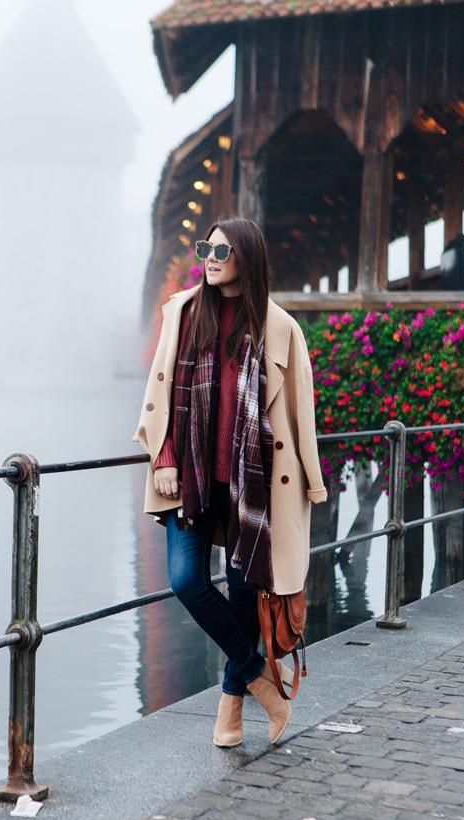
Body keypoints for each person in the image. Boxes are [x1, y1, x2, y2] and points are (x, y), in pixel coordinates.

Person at [133, 217, 326, 748]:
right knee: (186, 581)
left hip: (252, 485)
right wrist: (164, 454)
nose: (209, 257)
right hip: (188, 478)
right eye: (205, 248)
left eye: (221, 249)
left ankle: (231, 706)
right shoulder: (183, 312)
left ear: (247, 255)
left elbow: (299, 412)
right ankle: (262, 678)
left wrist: (312, 481)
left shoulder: (279, 326)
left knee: (244, 597)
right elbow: (161, 394)